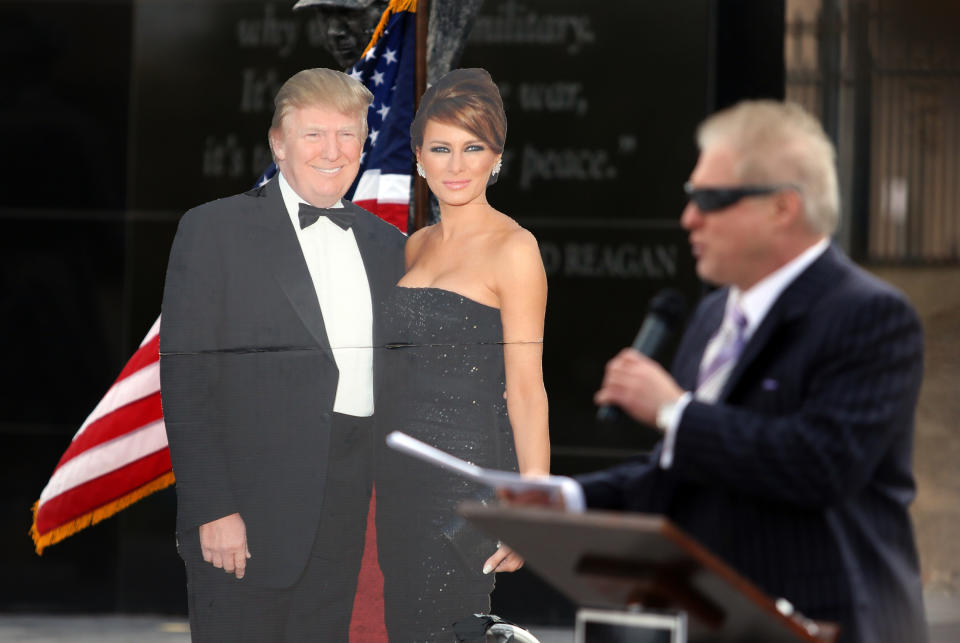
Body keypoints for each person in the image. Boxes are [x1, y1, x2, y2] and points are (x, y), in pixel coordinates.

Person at [507, 100, 927, 643]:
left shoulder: (869, 315)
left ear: (783, 207)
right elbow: (687, 472)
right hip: (710, 622)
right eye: (690, 198)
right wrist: (570, 499)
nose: (689, 219)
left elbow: (822, 463)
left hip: (830, 621)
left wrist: (674, 412)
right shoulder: (711, 317)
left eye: (710, 199)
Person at [159, 68, 406, 642]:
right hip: (244, 518)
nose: (332, 150)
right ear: (278, 143)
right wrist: (213, 510)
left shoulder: (389, 247)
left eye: (348, 135)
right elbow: (188, 384)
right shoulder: (214, 229)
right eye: (313, 134)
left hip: (348, 515)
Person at [374, 67, 550, 641]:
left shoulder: (515, 249)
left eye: (472, 148)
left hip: (464, 487)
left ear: (495, 156)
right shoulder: (415, 245)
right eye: (441, 148)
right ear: (419, 156)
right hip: (396, 479)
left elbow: (526, 389)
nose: (455, 165)